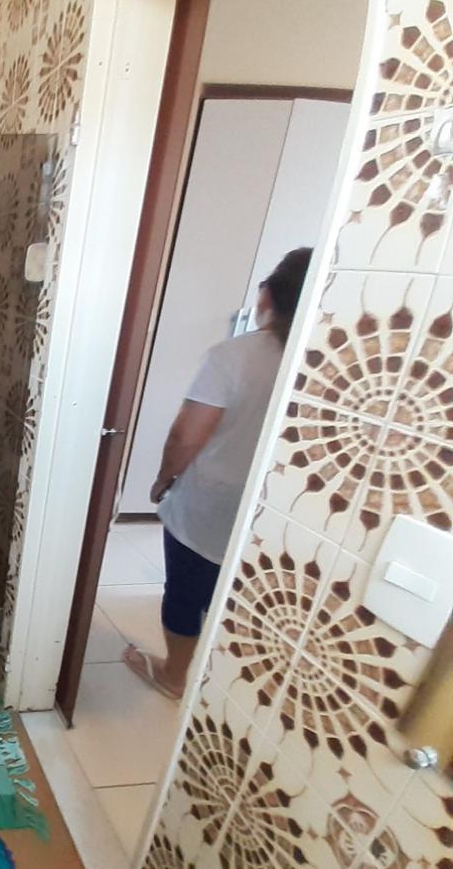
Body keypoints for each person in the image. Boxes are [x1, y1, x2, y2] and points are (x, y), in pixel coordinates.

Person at [123, 247, 311, 699]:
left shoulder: (235, 356)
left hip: (212, 504)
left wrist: (164, 480)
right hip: (283, 511)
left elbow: (187, 435)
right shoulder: (332, 361)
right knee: (244, 595)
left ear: (267, 296)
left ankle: (174, 676)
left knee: (187, 591)